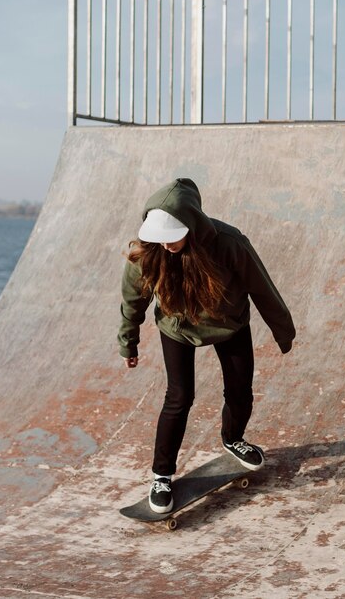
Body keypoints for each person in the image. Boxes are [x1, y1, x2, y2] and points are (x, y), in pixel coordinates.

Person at [118, 178, 295, 514]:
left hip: (229, 325)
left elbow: (262, 287)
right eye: (161, 238)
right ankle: (161, 476)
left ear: (192, 226)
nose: (167, 245)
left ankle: (233, 438)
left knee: (240, 390)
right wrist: (129, 342)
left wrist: (282, 330)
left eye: (173, 237)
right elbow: (133, 300)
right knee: (179, 396)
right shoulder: (149, 252)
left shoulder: (229, 243)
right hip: (177, 327)